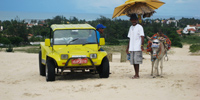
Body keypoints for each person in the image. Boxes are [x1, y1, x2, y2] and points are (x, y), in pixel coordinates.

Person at [126, 14, 145, 79]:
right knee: (133, 62)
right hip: (132, 47)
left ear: (137, 20)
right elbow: (130, 38)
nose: (133, 21)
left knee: (137, 62)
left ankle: (137, 74)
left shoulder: (139, 27)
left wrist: (142, 45)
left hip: (137, 47)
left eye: (135, 20)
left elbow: (142, 37)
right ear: (131, 20)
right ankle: (135, 74)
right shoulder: (131, 27)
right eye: (132, 20)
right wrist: (127, 47)